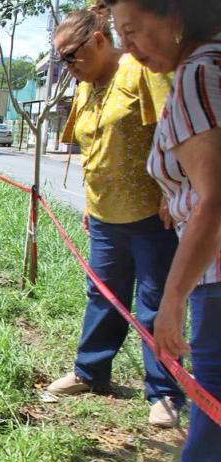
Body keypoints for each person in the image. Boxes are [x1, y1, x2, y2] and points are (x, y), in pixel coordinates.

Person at [104, 0, 221, 462]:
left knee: (212, 378)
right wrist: (177, 200)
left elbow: (215, 198)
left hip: (215, 264)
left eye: (132, 31)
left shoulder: (197, 74)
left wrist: (172, 300)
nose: (128, 48)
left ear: (175, 17)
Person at [45, 4, 184, 428]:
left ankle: (164, 392)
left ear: (99, 40)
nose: (68, 66)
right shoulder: (84, 87)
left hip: (151, 214)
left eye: (71, 56)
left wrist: (172, 192)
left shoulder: (141, 71)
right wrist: (90, 202)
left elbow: (173, 132)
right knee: (103, 295)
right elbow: (91, 149)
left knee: (154, 302)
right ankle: (90, 372)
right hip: (106, 215)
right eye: (61, 60)